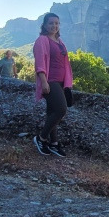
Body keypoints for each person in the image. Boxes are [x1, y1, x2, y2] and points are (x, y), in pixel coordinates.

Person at [31, 12, 73, 157]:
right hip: (50, 81)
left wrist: (67, 84)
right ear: (44, 25)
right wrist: (43, 82)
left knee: (52, 112)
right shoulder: (42, 40)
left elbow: (65, 63)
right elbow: (40, 63)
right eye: (51, 23)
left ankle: (54, 143)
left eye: (57, 23)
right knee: (61, 110)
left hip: (61, 82)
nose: (54, 26)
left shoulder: (60, 42)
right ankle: (41, 138)